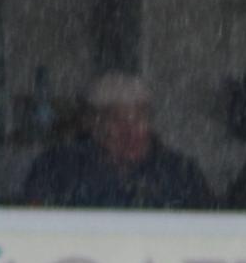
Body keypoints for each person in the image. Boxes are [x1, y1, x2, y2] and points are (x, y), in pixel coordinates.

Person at [15, 69, 217, 210]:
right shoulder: (56, 168)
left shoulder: (181, 173)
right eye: (115, 119)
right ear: (91, 123)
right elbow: (34, 227)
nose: (130, 131)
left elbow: (207, 231)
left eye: (140, 118)